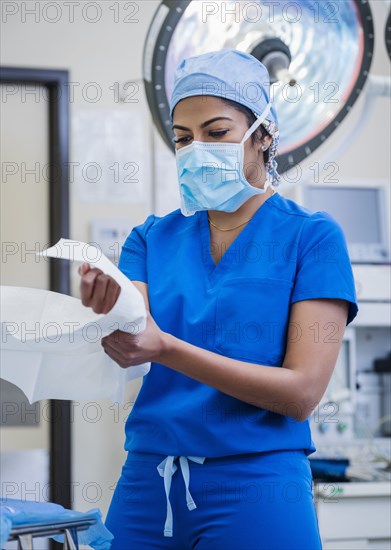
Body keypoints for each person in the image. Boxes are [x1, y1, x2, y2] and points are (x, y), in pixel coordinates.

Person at [79, 49, 358, 549]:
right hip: (150, 483)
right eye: (183, 138)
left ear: (265, 135)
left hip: (259, 484)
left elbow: (300, 393)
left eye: (216, 132)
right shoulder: (150, 238)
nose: (196, 149)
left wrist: (165, 348)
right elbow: (135, 341)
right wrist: (105, 314)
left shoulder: (311, 239)